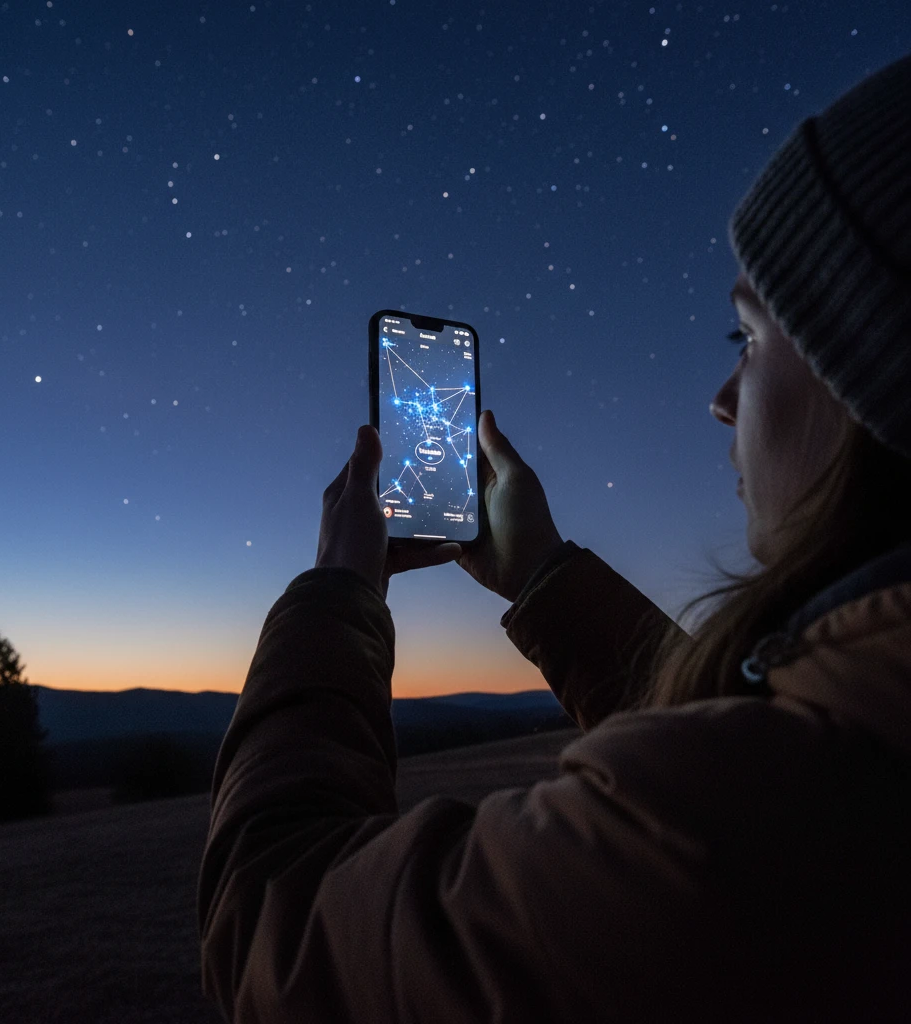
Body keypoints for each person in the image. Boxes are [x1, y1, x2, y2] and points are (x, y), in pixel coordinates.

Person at [198, 52, 911, 1022]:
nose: (718, 399)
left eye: (748, 338)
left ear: (868, 367)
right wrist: (541, 575)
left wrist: (338, 589)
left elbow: (277, 930)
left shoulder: (761, 825)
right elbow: (726, 733)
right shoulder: (841, 745)